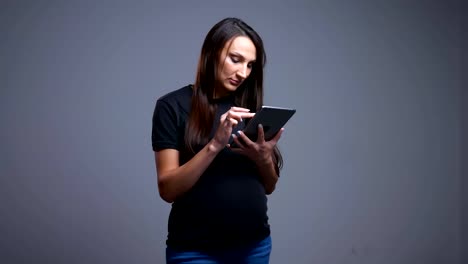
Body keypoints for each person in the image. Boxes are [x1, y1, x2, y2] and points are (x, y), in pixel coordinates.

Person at [151, 17, 285, 264]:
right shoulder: (171, 106)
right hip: (195, 250)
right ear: (211, 53)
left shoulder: (248, 109)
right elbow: (167, 189)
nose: (243, 73)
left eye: (250, 65)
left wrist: (263, 157)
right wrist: (214, 146)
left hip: (255, 247)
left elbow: (270, 186)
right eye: (235, 59)